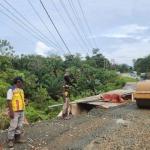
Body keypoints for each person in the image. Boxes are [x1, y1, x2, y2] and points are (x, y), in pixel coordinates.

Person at [7, 77, 26, 148]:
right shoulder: (11, 90)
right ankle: (10, 140)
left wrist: (25, 102)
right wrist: (11, 111)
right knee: (13, 126)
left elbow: (21, 100)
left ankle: (17, 138)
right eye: (20, 82)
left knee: (20, 125)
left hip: (22, 110)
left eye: (22, 82)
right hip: (14, 111)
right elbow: (9, 101)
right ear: (17, 82)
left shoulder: (21, 90)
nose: (22, 83)